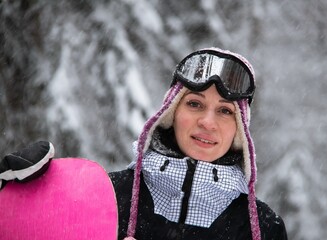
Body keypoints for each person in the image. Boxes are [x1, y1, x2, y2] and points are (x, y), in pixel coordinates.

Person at [0, 47, 287, 239]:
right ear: (171, 114)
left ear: (240, 128)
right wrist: (23, 201)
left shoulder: (261, 227)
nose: (208, 122)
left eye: (225, 111)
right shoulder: (105, 197)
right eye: (195, 104)